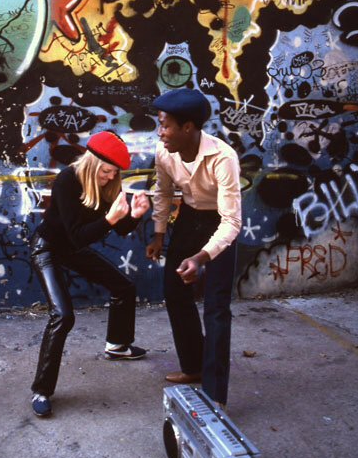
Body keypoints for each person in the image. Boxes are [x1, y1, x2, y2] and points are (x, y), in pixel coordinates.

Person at [30, 130, 150, 417]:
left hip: (72, 246)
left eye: (114, 173)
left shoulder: (107, 185)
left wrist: (134, 215)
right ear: (94, 163)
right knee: (63, 315)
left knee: (123, 287)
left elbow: (119, 229)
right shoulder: (68, 180)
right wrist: (110, 218)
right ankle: (41, 390)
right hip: (47, 248)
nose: (110, 177)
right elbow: (77, 236)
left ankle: (118, 345)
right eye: (107, 171)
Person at [145, 89, 241, 409]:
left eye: (166, 126)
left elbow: (231, 222)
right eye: (160, 125)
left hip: (219, 224)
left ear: (189, 128)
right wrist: (159, 235)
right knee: (174, 290)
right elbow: (162, 192)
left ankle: (215, 394)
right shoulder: (165, 152)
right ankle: (194, 367)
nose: (161, 132)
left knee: (216, 307)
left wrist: (201, 258)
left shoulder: (223, 157)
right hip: (188, 219)